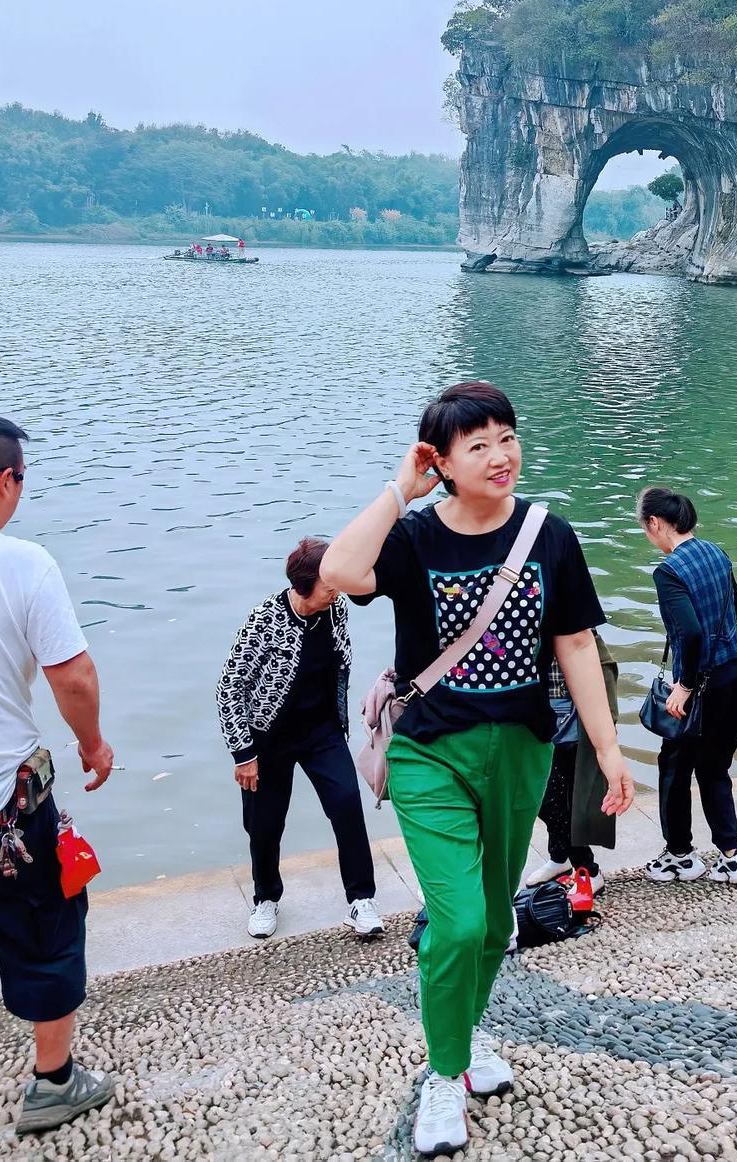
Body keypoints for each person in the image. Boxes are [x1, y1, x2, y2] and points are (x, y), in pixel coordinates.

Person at [320, 381, 634, 1159]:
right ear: (444, 461)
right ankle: (443, 1073)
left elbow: (575, 646)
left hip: (520, 752)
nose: (500, 456)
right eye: (477, 445)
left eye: (507, 436)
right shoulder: (416, 537)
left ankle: (461, 1037)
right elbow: (338, 569)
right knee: (455, 921)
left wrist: (606, 747)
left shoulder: (547, 535)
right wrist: (400, 489)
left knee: (497, 922)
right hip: (430, 751)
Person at [0, 414, 116, 1136]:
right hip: (1, 804)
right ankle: (53, 1082)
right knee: (47, 927)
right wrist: (92, 745)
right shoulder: (21, 562)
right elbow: (73, 675)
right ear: (7, 480)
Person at [215, 537, 382, 942]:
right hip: (268, 738)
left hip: (322, 731)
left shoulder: (335, 610)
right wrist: (244, 754)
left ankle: (361, 899)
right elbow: (229, 687)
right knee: (265, 823)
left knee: (346, 806)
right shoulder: (264, 620)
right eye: (329, 586)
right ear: (305, 585)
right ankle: (265, 897)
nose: (336, 591)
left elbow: (338, 663)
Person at [637, 486, 737, 887]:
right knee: (714, 766)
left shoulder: (668, 572)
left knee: (673, 765)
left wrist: (685, 685)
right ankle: (732, 857)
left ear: (655, 523)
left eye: (644, 527)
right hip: (735, 675)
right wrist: (719, 642)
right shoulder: (716, 553)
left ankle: (680, 855)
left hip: (699, 688)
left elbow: (688, 632)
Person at [526, 636, 619, 895]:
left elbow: (597, 658)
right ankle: (560, 858)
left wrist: (606, 729)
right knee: (549, 796)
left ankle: (588, 870)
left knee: (563, 799)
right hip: (535, 708)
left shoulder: (571, 615)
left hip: (575, 713)